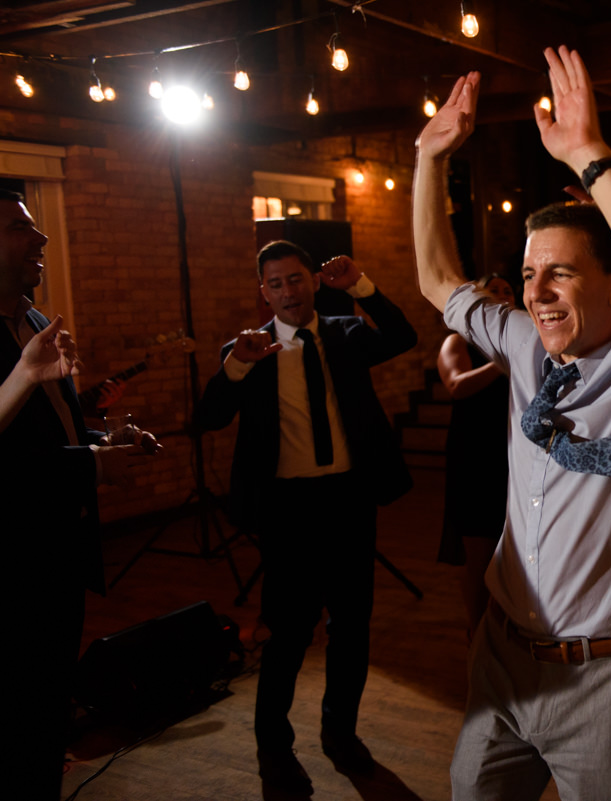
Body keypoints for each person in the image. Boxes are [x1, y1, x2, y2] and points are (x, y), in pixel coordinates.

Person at [413, 46, 611, 801]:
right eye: (527, 275)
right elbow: (437, 279)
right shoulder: (523, 346)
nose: (537, 292)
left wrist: (589, 155)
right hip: (501, 659)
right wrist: (427, 160)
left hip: (600, 679)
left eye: (561, 273)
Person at [195, 243, 416, 793]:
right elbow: (208, 416)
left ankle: (341, 734)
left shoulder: (346, 332)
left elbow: (404, 336)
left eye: (296, 280)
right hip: (287, 509)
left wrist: (362, 286)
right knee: (290, 632)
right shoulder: (249, 349)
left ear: (312, 283)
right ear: (262, 291)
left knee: (351, 628)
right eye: (276, 284)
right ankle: (274, 747)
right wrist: (237, 365)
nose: (289, 292)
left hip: (348, 499)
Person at [0, 189, 160, 800]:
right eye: (20, 229)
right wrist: (92, 465)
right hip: (11, 557)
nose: (40, 241)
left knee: (46, 707)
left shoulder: (40, 321)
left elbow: (50, 429)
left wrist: (105, 437)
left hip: (59, 551)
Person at [437, 273, 514, 636]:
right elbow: (456, 386)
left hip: (513, 452)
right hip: (475, 456)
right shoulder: (458, 342)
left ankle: (508, 631)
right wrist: (503, 362)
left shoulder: (526, 342)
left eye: (507, 291)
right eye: (491, 291)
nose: (501, 296)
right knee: (479, 554)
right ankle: (476, 633)